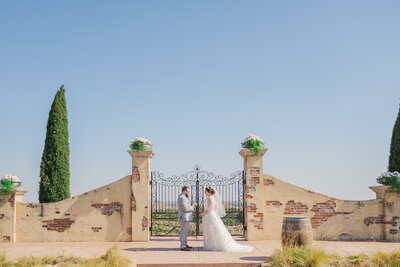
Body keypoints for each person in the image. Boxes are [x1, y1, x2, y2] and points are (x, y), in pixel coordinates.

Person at [201, 187, 253, 252]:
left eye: (205, 191)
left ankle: (213, 244)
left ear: (208, 192)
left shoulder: (209, 198)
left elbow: (210, 208)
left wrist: (203, 213)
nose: (204, 192)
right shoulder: (212, 198)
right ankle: (214, 244)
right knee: (213, 230)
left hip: (209, 215)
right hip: (211, 215)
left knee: (211, 230)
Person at [177, 186, 196, 251]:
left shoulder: (183, 197)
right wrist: (193, 207)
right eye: (188, 191)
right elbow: (185, 208)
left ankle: (185, 244)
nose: (188, 193)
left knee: (185, 232)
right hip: (184, 218)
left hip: (186, 218)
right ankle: (183, 246)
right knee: (183, 232)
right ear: (184, 191)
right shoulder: (182, 198)